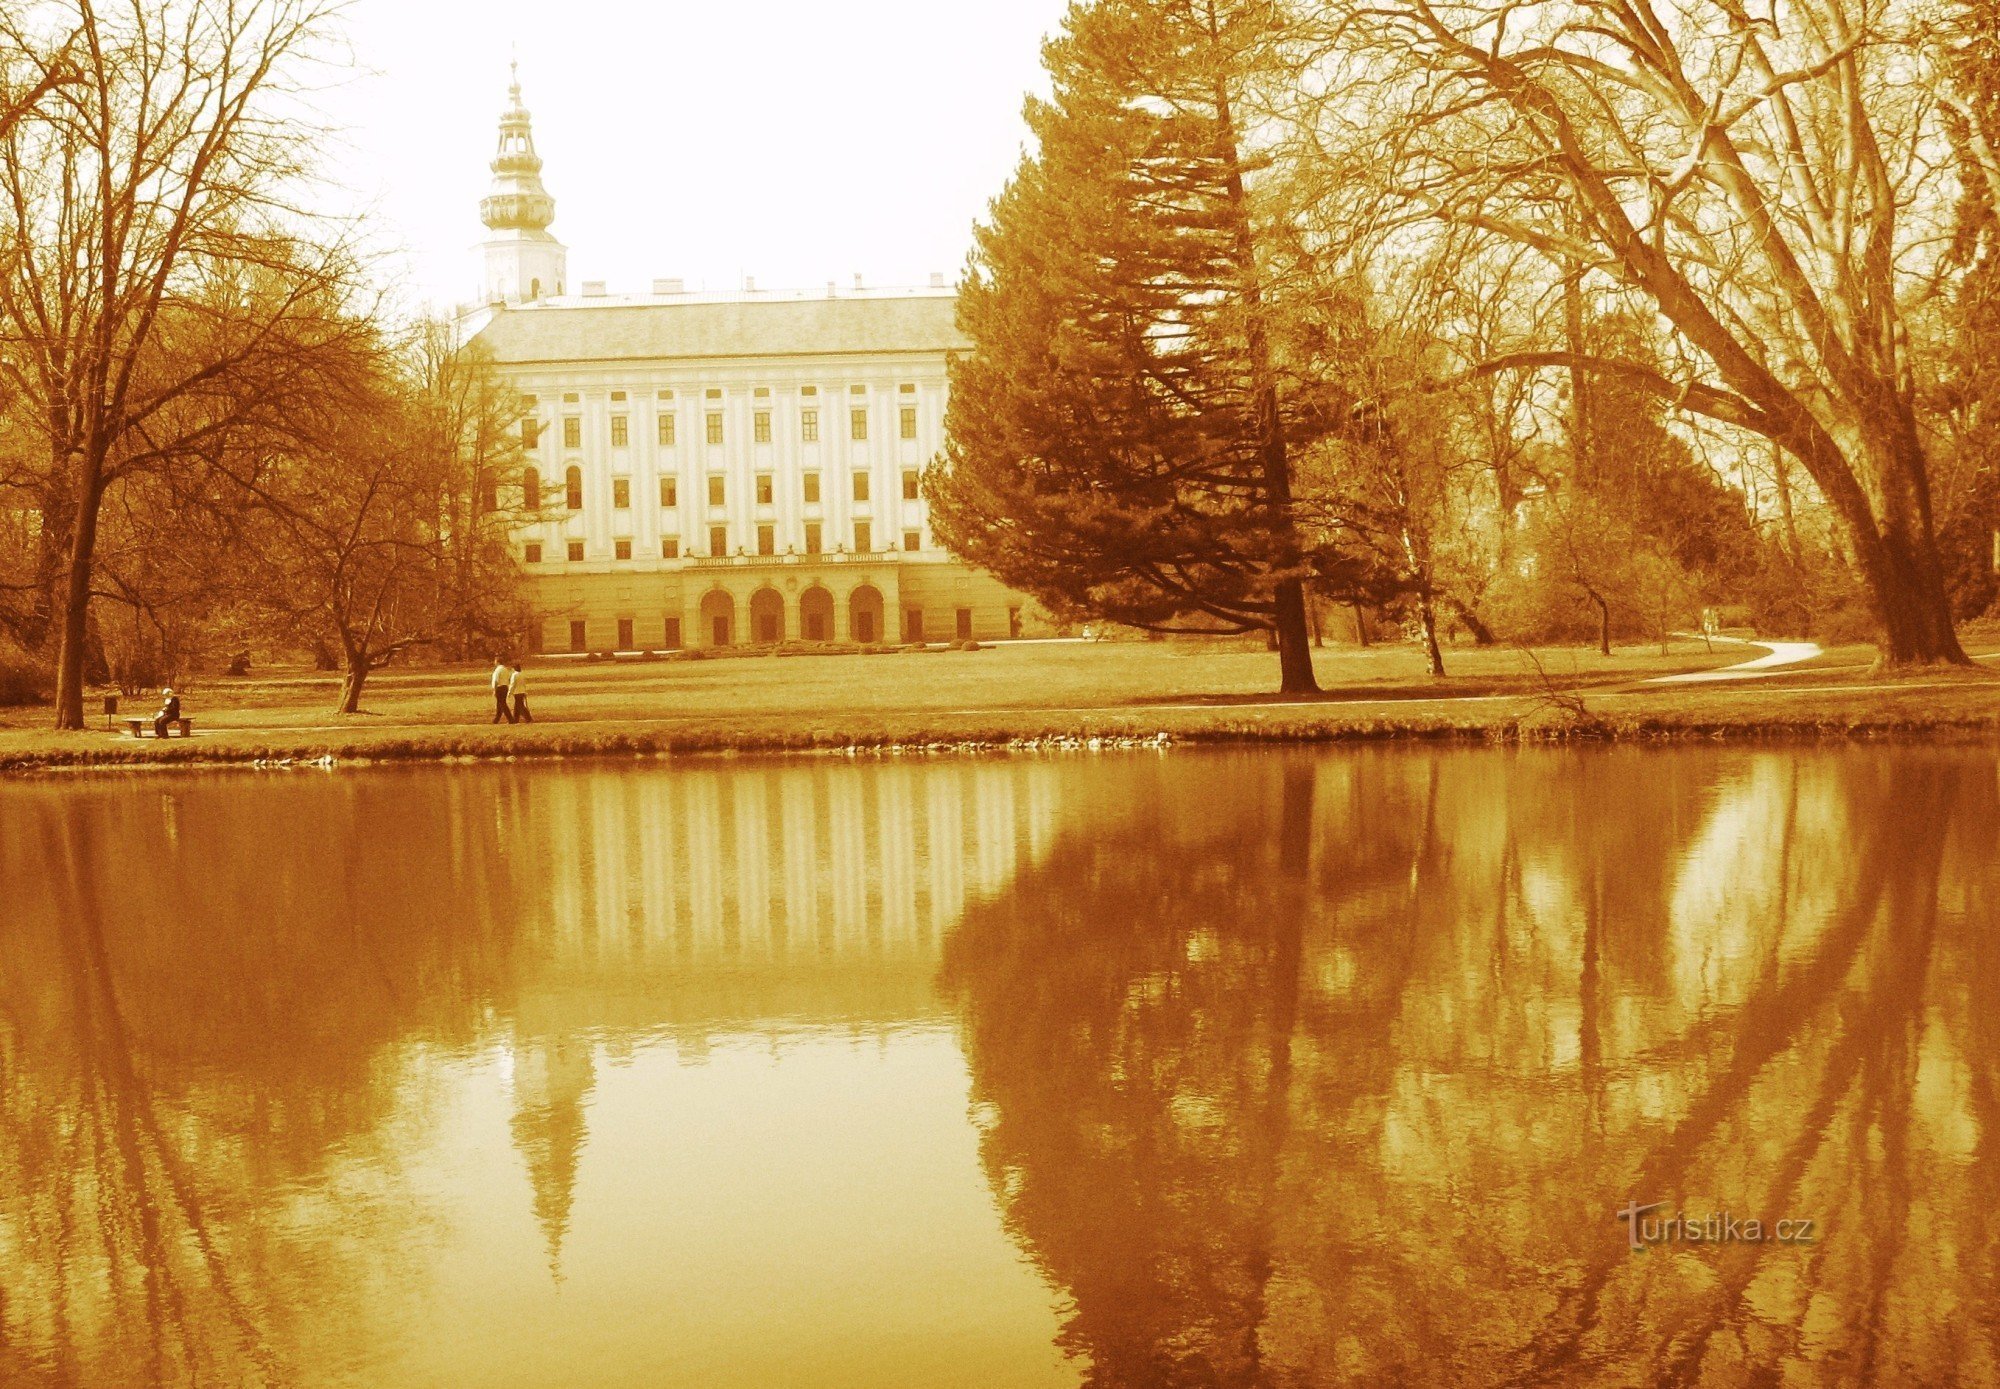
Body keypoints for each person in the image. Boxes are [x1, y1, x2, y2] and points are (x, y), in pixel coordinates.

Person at [490, 656, 513, 723]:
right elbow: (509, 678)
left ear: (497, 662)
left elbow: (496, 681)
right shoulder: (505, 669)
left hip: (499, 688)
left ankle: (510, 719)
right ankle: (496, 719)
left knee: (502, 704)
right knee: (499, 704)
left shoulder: (498, 670)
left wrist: (494, 689)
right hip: (505, 687)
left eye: (495, 661)